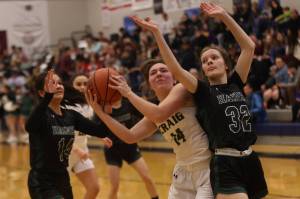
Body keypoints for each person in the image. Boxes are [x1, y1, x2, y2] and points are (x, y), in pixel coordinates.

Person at [130, 2, 268, 199]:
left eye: (214, 58)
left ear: (226, 65)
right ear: (202, 70)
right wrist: (157, 34)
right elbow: (176, 69)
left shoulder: (236, 82)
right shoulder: (202, 90)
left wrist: (224, 17)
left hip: (250, 158)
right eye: (204, 61)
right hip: (224, 161)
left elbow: (249, 47)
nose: (209, 61)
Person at [87, 59, 213, 199]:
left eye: (164, 70)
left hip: (206, 167)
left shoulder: (182, 89)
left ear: (174, 79)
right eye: (153, 73)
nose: (158, 73)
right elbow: (130, 136)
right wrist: (100, 112)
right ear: (149, 84)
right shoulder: (153, 112)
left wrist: (128, 93)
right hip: (182, 170)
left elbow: (159, 113)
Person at [25, 69, 110, 199]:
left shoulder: (71, 116)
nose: (58, 86)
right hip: (42, 181)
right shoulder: (41, 116)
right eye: (52, 84)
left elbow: (101, 131)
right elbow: (30, 126)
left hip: (62, 178)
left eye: (59, 83)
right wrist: (48, 97)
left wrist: (102, 107)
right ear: (42, 93)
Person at [99, 98, 158, 199]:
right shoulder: (103, 107)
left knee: (147, 177)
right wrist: (102, 136)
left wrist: (145, 130)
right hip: (112, 150)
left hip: (130, 148)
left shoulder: (128, 103)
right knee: (114, 187)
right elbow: (95, 127)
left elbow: (146, 115)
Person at [65, 74, 112, 199]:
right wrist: (75, 149)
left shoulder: (89, 106)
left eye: (85, 84)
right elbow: (60, 133)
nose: (82, 87)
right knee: (61, 194)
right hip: (64, 154)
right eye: (78, 84)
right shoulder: (65, 106)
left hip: (81, 152)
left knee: (94, 188)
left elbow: (87, 128)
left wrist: (100, 136)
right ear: (72, 86)